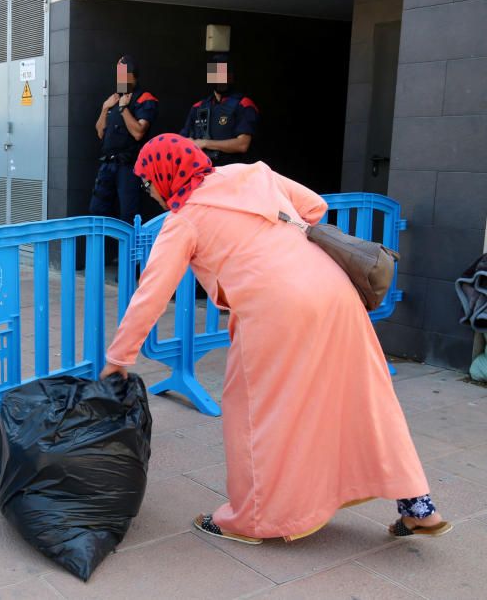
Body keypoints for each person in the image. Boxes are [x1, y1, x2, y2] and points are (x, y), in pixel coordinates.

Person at [99, 134, 451, 544]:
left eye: (149, 183)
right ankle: (418, 507)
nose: (151, 192)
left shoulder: (185, 220)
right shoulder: (252, 174)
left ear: (166, 175)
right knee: (367, 396)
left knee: (253, 413)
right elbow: (316, 208)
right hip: (335, 292)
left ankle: (250, 519)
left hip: (276, 311)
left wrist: (118, 358)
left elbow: (150, 295)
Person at [90, 55, 158, 223]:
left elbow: (138, 133)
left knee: (128, 215)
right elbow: (100, 133)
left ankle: (130, 250)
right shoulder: (113, 98)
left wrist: (123, 109)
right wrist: (105, 109)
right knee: (97, 210)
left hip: (129, 166)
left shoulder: (144, 99)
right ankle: (103, 249)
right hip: (108, 165)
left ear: (133, 76)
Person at [180, 53, 260, 165]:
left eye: (223, 73)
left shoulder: (243, 104)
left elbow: (242, 145)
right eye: (215, 74)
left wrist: (205, 143)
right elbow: (182, 140)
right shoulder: (198, 107)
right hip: (202, 171)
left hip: (232, 173)